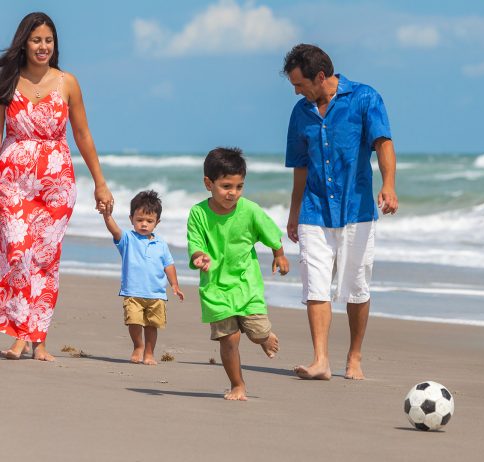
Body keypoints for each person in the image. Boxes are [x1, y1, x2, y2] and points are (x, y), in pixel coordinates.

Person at [0, 12, 114, 361]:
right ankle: (19, 331)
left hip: (56, 185)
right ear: (24, 43)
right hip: (13, 183)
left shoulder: (67, 82)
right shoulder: (7, 80)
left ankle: (39, 340)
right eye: (36, 40)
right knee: (17, 252)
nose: (43, 46)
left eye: (48, 40)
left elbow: (82, 134)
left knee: (46, 260)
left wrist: (100, 183)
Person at [283, 44, 398, 380]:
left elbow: (383, 144)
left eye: (300, 84)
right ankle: (321, 360)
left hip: (357, 209)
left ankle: (355, 356)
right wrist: (294, 213)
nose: (296, 91)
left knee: (356, 287)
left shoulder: (365, 98)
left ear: (321, 77)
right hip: (313, 211)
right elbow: (300, 169)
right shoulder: (299, 113)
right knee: (315, 285)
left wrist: (389, 184)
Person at [187, 147, 289, 401]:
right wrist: (198, 256)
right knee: (229, 339)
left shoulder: (250, 210)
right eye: (226, 186)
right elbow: (195, 243)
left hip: (246, 285)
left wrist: (279, 255)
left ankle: (264, 336)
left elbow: (270, 234)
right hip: (215, 289)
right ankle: (238, 384)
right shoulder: (198, 213)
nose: (233, 193)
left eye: (239, 186)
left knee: (256, 333)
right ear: (208, 184)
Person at [98, 190, 185, 365]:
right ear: (131, 219)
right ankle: (138, 346)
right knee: (134, 322)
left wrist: (174, 284)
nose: (144, 224)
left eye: (149, 221)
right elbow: (114, 230)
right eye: (139, 220)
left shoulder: (161, 244)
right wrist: (107, 216)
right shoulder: (127, 239)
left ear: (157, 222)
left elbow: (168, 265)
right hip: (133, 292)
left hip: (156, 294)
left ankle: (149, 353)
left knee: (153, 325)